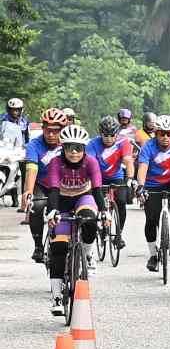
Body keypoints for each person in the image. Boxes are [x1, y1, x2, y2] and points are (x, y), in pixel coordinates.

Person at [42, 124, 105, 313]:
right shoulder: (55, 163)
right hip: (60, 201)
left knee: (89, 221)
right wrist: (53, 211)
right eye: (70, 147)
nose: (74, 152)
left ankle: (87, 254)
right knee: (59, 247)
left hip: (83, 198)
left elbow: (97, 190)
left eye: (79, 148)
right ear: (63, 148)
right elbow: (53, 191)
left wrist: (104, 211)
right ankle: (56, 296)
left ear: (84, 149)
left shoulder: (91, 162)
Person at [136, 114, 170, 273]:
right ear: (156, 133)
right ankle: (153, 255)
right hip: (152, 184)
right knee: (151, 219)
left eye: (169, 133)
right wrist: (140, 186)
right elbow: (142, 168)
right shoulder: (148, 146)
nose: (166, 137)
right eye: (162, 133)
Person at [23, 108, 66, 262]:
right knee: (37, 205)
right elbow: (31, 169)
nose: (51, 135)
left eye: (55, 131)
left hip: (63, 185)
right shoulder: (34, 145)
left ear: (62, 130)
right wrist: (28, 192)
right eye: (48, 130)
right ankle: (38, 246)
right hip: (42, 184)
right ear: (43, 128)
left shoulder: (68, 143)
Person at [86, 115, 136, 249]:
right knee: (96, 200)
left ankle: (118, 235)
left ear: (117, 134)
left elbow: (128, 161)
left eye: (111, 135)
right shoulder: (92, 144)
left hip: (116, 176)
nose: (108, 139)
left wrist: (130, 178)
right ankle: (99, 223)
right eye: (105, 135)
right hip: (98, 176)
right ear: (100, 133)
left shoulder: (123, 142)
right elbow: (90, 165)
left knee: (121, 201)